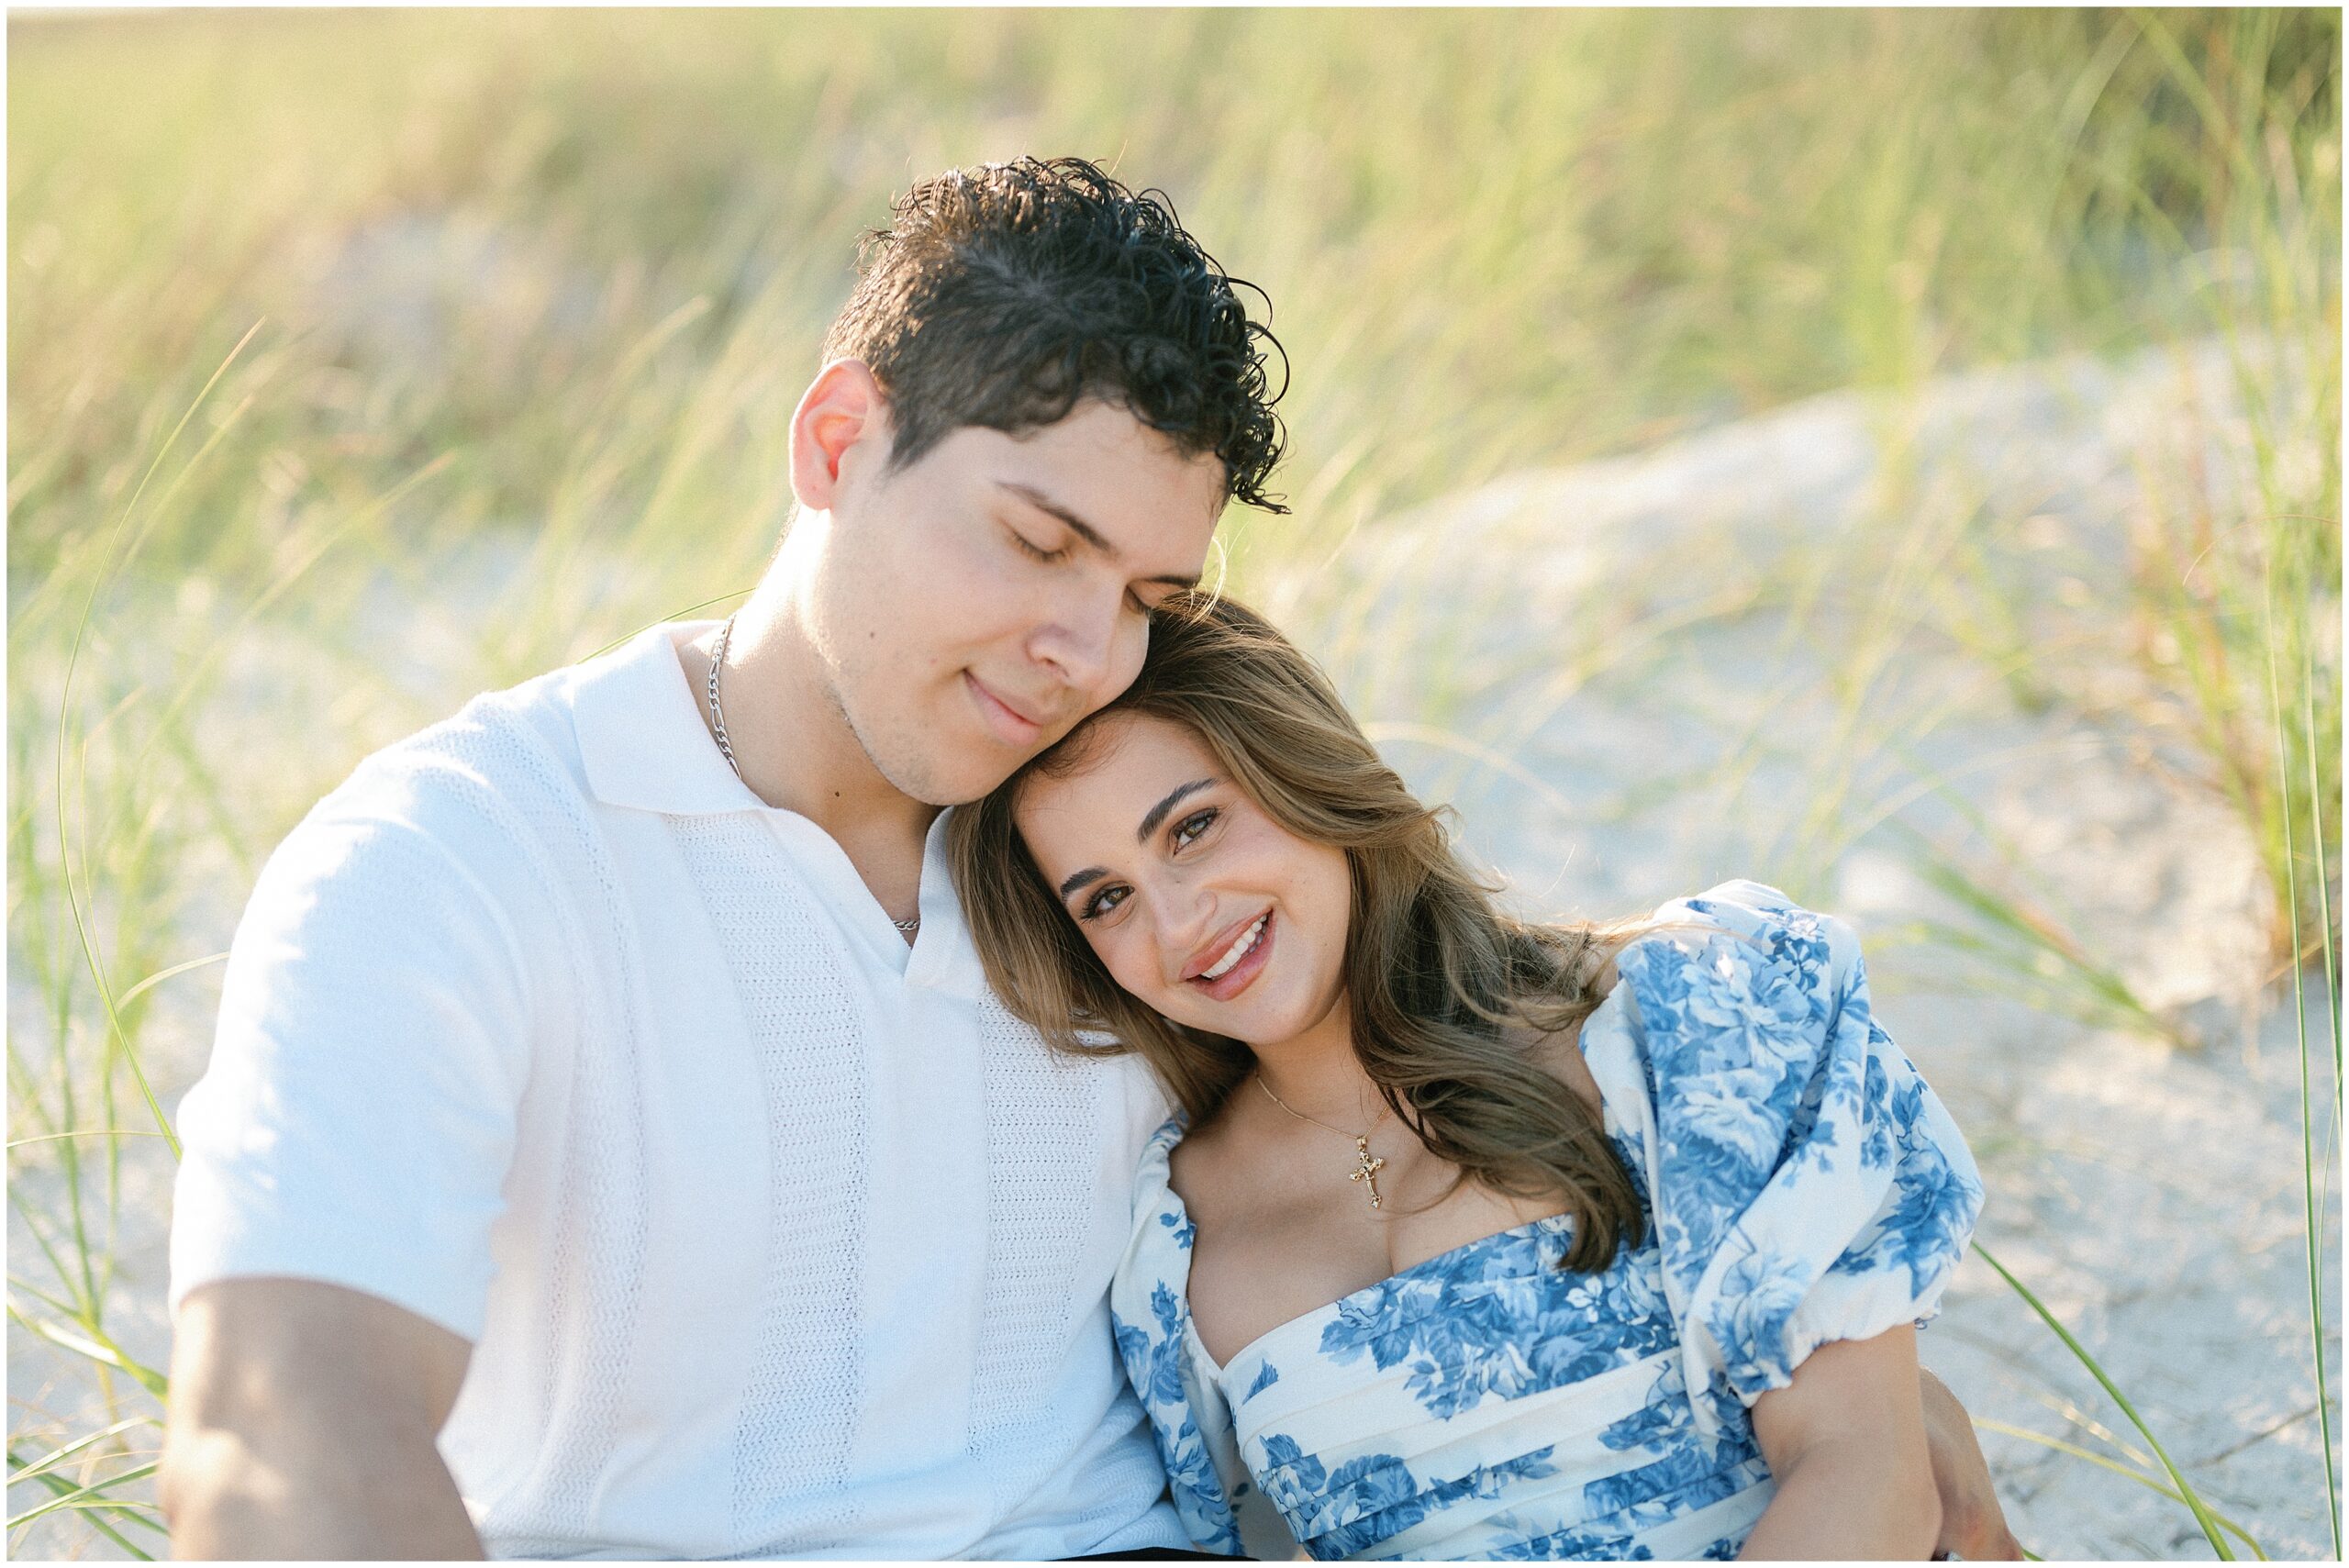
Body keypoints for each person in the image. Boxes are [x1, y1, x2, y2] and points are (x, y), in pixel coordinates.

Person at [160, 155, 2018, 1561]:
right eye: (1032, 538)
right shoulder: (462, 860)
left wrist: (1880, 1415)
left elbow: (1490, 1084)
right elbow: (281, 1429)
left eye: (1140, 593)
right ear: (834, 438)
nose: (1080, 645)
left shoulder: (1101, 863)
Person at [951, 592, 1996, 1560]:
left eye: (1192, 825)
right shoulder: (1166, 1240)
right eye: (1105, 900)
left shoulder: (1684, 1014)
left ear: (1298, 769)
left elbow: (1870, 1472)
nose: (1179, 922)